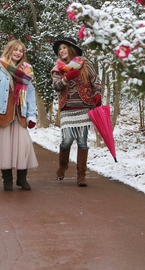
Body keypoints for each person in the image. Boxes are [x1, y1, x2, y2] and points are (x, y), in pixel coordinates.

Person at [0, 40, 38, 191]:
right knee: (4, 149)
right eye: (15, 49)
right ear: (9, 50)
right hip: (1, 115)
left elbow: (30, 95)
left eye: (21, 51)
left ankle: (22, 179)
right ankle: (7, 180)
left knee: (23, 147)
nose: (18, 53)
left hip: (19, 115)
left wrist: (31, 115)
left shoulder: (26, 71)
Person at [51, 37, 102, 187]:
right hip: (67, 108)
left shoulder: (86, 65)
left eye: (64, 48)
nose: (61, 51)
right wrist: (66, 77)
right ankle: (63, 164)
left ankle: (81, 174)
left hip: (84, 106)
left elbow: (96, 82)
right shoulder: (57, 69)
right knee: (66, 140)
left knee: (82, 141)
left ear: (71, 49)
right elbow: (56, 86)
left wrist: (97, 94)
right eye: (59, 49)